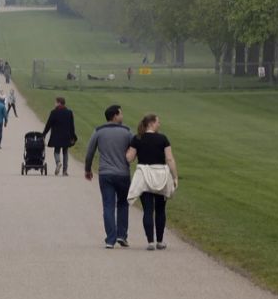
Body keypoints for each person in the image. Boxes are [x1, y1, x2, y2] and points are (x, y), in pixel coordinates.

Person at [126, 114, 178, 251]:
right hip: (160, 175)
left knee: (148, 210)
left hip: (144, 175)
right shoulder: (163, 139)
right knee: (160, 210)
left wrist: (128, 148)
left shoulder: (137, 138)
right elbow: (170, 159)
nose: (159, 124)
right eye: (158, 122)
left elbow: (129, 158)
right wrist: (175, 177)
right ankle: (160, 241)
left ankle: (150, 241)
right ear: (151, 123)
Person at [84, 105, 133, 249]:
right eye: (121, 113)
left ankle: (110, 239)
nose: (122, 116)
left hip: (105, 173)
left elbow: (90, 152)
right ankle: (121, 235)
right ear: (115, 115)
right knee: (123, 204)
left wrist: (88, 169)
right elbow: (135, 148)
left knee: (108, 205)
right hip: (123, 173)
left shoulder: (98, 131)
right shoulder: (127, 132)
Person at [43, 97, 77, 176]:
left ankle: (58, 162)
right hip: (66, 135)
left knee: (56, 151)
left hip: (56, 135)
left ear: (59, 103)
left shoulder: (54, 112)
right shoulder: (69, 112)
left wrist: (44, 134)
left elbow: (48, 125)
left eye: (55, 102)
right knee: (65, 152)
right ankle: (65, 171)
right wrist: (73, 136)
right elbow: (72, 126)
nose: (54, 104)